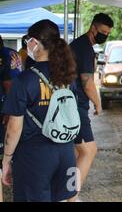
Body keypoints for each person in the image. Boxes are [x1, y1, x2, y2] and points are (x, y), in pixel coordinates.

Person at [1, 19, 78, 201]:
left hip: (34, 158)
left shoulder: (25, 80)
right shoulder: (68, 76)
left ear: (34, 42)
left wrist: (6, 160)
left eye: (28, 40)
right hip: (67, 154)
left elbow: (14, 128)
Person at [70, 13, 114, 192]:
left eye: (108, 33)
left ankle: (65, 192)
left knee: (74, 153)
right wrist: (98, 103)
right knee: (89, 150)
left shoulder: (79, 45)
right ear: (93, 28)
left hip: (71, 104)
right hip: (76, 106)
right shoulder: (84, 48)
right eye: (103, 31)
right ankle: (70, 195)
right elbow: (88, 83)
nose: (105, 36)